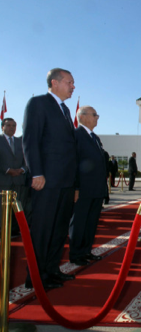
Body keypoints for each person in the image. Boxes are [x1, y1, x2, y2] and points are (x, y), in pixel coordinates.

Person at [22, 68, 77, 289]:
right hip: (46, 180)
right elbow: (30, 140)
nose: (73, 86)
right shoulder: (38, 103)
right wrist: (36, 172)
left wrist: (74, 184)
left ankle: (52, 270)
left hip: (65, 182)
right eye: (69, 82)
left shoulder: (64, 110)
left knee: (59, 229)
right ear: (55, 82)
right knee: (43, 229)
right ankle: (35, 277)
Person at [69, 106, 107, 266]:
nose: (97, 117)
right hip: (83, 189)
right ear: (82, 117)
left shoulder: (94, 138)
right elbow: (74, 163)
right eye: (94, 115)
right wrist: (76, 187)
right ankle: (76, 253)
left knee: (91, 221)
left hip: (96, 189)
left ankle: (86, 251)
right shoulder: (76, 135)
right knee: (79, 221)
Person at [0, 117, 30, 236]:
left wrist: (22, 170)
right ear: (2, 127)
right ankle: (2, 231)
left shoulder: (21, 142)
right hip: (3, 180)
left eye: (13, 126)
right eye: (8, 125)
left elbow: (27, 159)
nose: (11, 128)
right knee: (2, 209)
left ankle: (13, 230)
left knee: (18, 206)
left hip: (19, 180)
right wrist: (7, 170)